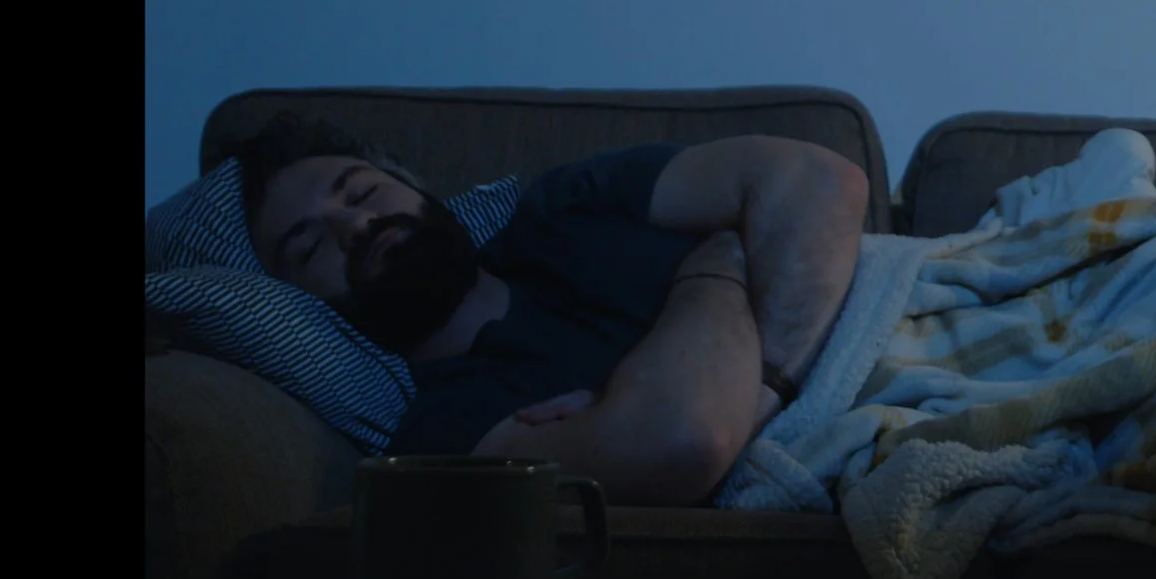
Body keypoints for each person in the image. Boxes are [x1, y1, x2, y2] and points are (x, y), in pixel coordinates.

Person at [225, 114, 868, 507]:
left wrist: (762, 390)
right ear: (299, 305)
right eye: (309, 246)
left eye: (362, 191)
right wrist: (718, 265)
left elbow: (820, 181)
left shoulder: (566, 204)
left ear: (416, 187)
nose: (356, 225)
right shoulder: (444, 433)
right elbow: (685, 442)